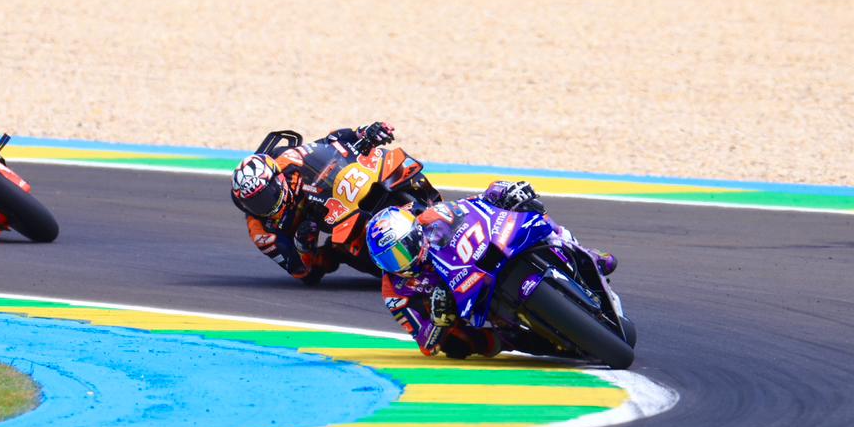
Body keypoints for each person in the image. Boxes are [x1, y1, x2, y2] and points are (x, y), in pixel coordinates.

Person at [367, 180, 618, 358]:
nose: (399, 262)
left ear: (414, 234)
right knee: (456, 346)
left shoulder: (433, 218)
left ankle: (583, 252)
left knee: (529, 208)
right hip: (463, 305)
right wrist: (438, 321)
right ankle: (515, 341)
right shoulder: (393, 292)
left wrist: (503, 191)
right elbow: (426, 344)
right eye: (389, 259)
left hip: (480, 259)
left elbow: (476, 203)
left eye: (401, 251)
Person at [230, 122, 396, 284]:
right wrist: (304, 248)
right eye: (254, 203)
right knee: (341, 250)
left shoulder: (287, 160)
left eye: (266, 195)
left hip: (336, 193)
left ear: (278, 178)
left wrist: (365, 132)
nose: (264, 206)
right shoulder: (262, 234)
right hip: (316, 223)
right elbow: (302, 272)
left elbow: (330, 141)